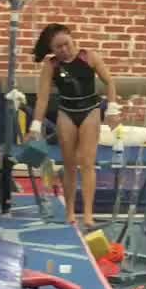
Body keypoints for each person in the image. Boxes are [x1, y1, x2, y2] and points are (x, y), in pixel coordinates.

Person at [32, 22, 120, 226]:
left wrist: (112, 109)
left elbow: (109, 82)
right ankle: (70, 212)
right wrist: (35, 126)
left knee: (87, 162)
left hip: (90, 110)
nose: (64, 50)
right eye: (58, 47)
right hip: (67, 112)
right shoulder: (51, 65)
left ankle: (88, 213)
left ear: (72, 39)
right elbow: (42, 98)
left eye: (66, 44)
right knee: (69, 163)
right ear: (51, 49)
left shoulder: (89, 56)